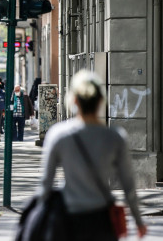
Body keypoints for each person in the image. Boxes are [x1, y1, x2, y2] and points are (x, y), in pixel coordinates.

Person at [39, 70, 147, 240]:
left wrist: (40, 222)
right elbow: (128, 186)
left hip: (68, 219)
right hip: (103, 221)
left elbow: (45, 184)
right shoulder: (115, 137)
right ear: (100, 102)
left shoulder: (59, 135)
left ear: (74, 101)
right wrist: (138, 221)